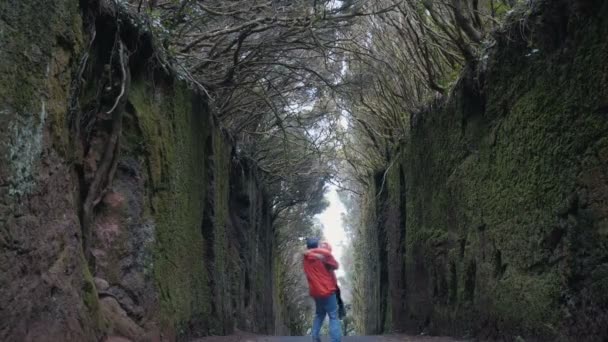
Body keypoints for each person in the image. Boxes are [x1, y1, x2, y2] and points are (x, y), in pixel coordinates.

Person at [303, 237, 342, 342]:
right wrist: (325, 256)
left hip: (315, 292)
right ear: (317, 245)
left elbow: (307, 253)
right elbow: (336, 265)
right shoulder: (324, 255)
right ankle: (335, 340)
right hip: (327, 290)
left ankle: (315, 337)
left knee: (319, 314)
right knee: (333, 316)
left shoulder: (306, 257)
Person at [319, 242, 346, 320]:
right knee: (335, 302)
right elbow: (335, 265)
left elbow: (335, 266)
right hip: (329, 285)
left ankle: (340, 314)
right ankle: (339, 314)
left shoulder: (321, 257)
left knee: (337, 299)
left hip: (327, 285)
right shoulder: (325, 258)